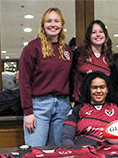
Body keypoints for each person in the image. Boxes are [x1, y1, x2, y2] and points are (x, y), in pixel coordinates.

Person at [18, 7, 72, 147]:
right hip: (39, 108)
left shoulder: (67, 51)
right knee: (37, 153)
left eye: (56, 21)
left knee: (58, 154)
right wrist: (28, 112)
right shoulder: (32, 48)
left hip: (62, 106)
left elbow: (71, 78)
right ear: (43, 25)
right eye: (48, 21)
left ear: (61, 25)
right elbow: (24, 82)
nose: (52, 24)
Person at [60, 74, 118, 146]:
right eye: (94, 87)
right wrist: (75, 152)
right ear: (89, 89)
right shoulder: (78, 110)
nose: (98, 91)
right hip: (83, 152)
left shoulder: (116, 109)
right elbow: (66, 137)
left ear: (107, 89)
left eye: (102, 87)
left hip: (110, 153)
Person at [71, 20, 114, 103]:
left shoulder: (109, 57)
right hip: (81, 104)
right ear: (89, 36)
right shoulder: (78, 53)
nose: (98, 35)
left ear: (105, 35)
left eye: (101, 32)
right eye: (94, 32)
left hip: (102, 105)